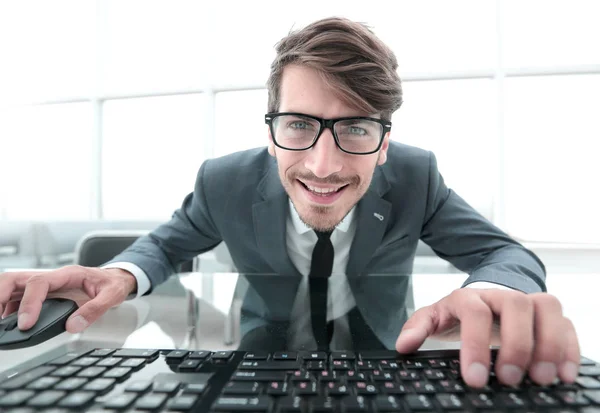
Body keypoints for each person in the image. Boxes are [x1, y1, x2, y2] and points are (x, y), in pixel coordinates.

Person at [0, 17, 578, 389]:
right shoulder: (223, 181)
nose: (322, 165)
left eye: (355, 129)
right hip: (256, 364)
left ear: (385, 142)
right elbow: (166, 245)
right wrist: (119, 276)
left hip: (382, 364)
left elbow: (503, 253)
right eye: (299, 124)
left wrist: (490, 290)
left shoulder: (414, 176)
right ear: (270, 128)